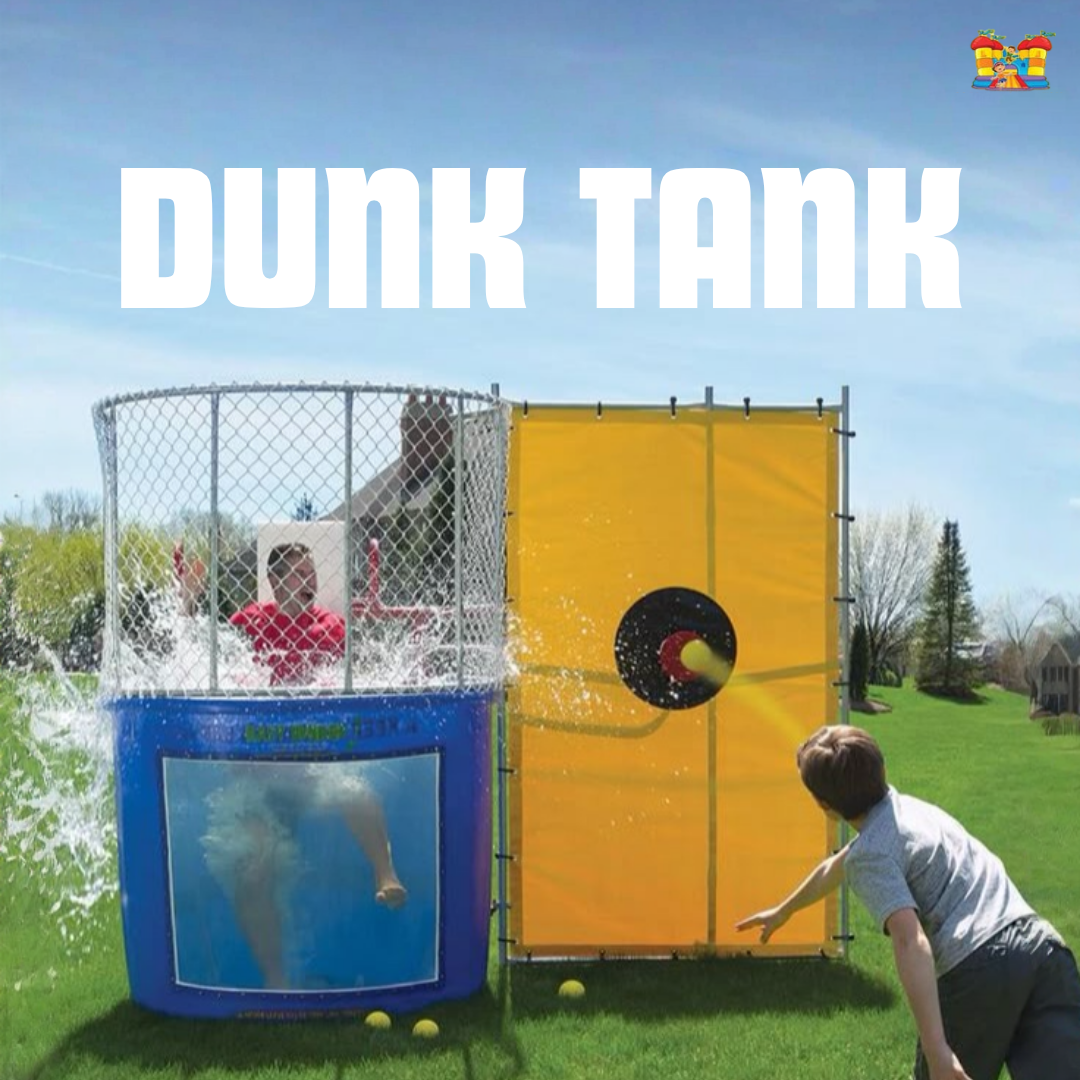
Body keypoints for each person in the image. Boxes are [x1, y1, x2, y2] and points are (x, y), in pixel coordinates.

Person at [735, 724, 1080, 1080]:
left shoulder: (872, 853)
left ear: (823, 805)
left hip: (978, 966)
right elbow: (834, 868)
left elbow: (909, 941)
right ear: (880, 769)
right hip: (1042, 948)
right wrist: (784, 911)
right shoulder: (909, 811)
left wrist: (937, 1051)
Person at [179, 541, 407, 989]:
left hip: (310, 771)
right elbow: (195, 662)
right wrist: (187, 600)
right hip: (256, 777)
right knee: (254, 864)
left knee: (357, 792)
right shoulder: (248, 624)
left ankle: (385, 873)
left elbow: (366, 678)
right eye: (301, 573)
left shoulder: (331, 628)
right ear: (276, 581)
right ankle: (276, 978)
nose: (312, 581)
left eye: (313, 572)